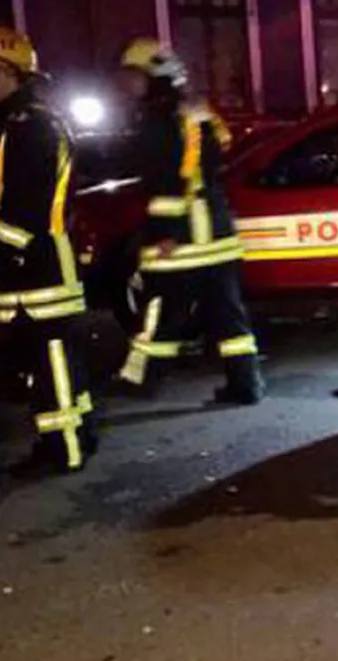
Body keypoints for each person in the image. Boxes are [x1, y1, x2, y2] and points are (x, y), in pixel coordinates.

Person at [0, 27, 97, 475]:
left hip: (39, 268)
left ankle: (65, 448)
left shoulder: (32, 127)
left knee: (52, 356)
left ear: (9, 73)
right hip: (28, 266)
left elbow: (26, 211)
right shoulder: (7, 125)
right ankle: (78, 434)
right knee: (53, 359)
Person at [115, 38, 264, 404]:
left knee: (161, 308)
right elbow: (215, 158)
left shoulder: (158, 120)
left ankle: (140, 379)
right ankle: (245, 384)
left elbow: (164, 180)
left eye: (135, 76)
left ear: (156, 77)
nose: (127, 85)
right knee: (229, 317)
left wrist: (164, 234)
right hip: (216, 231)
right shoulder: (197, 112)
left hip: (182, 240)